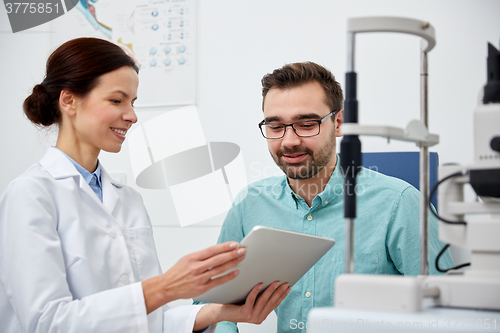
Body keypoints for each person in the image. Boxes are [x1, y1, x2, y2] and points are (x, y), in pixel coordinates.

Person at [0, 37, 290, 333]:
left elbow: (151, 319)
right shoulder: (31, 194)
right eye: (117, 100)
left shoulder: (128, 201)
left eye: (133, 102)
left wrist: (218, 311)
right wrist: (165, 286)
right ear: (69, 100)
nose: (132, 115)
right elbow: (46, 323)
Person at [212, 62, 454, 333]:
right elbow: (210, 304)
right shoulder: (250, 204)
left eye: (306, 124)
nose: (289, 141)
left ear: (338, 123)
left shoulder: (399, 202)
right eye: (276, 126)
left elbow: (447, 312)